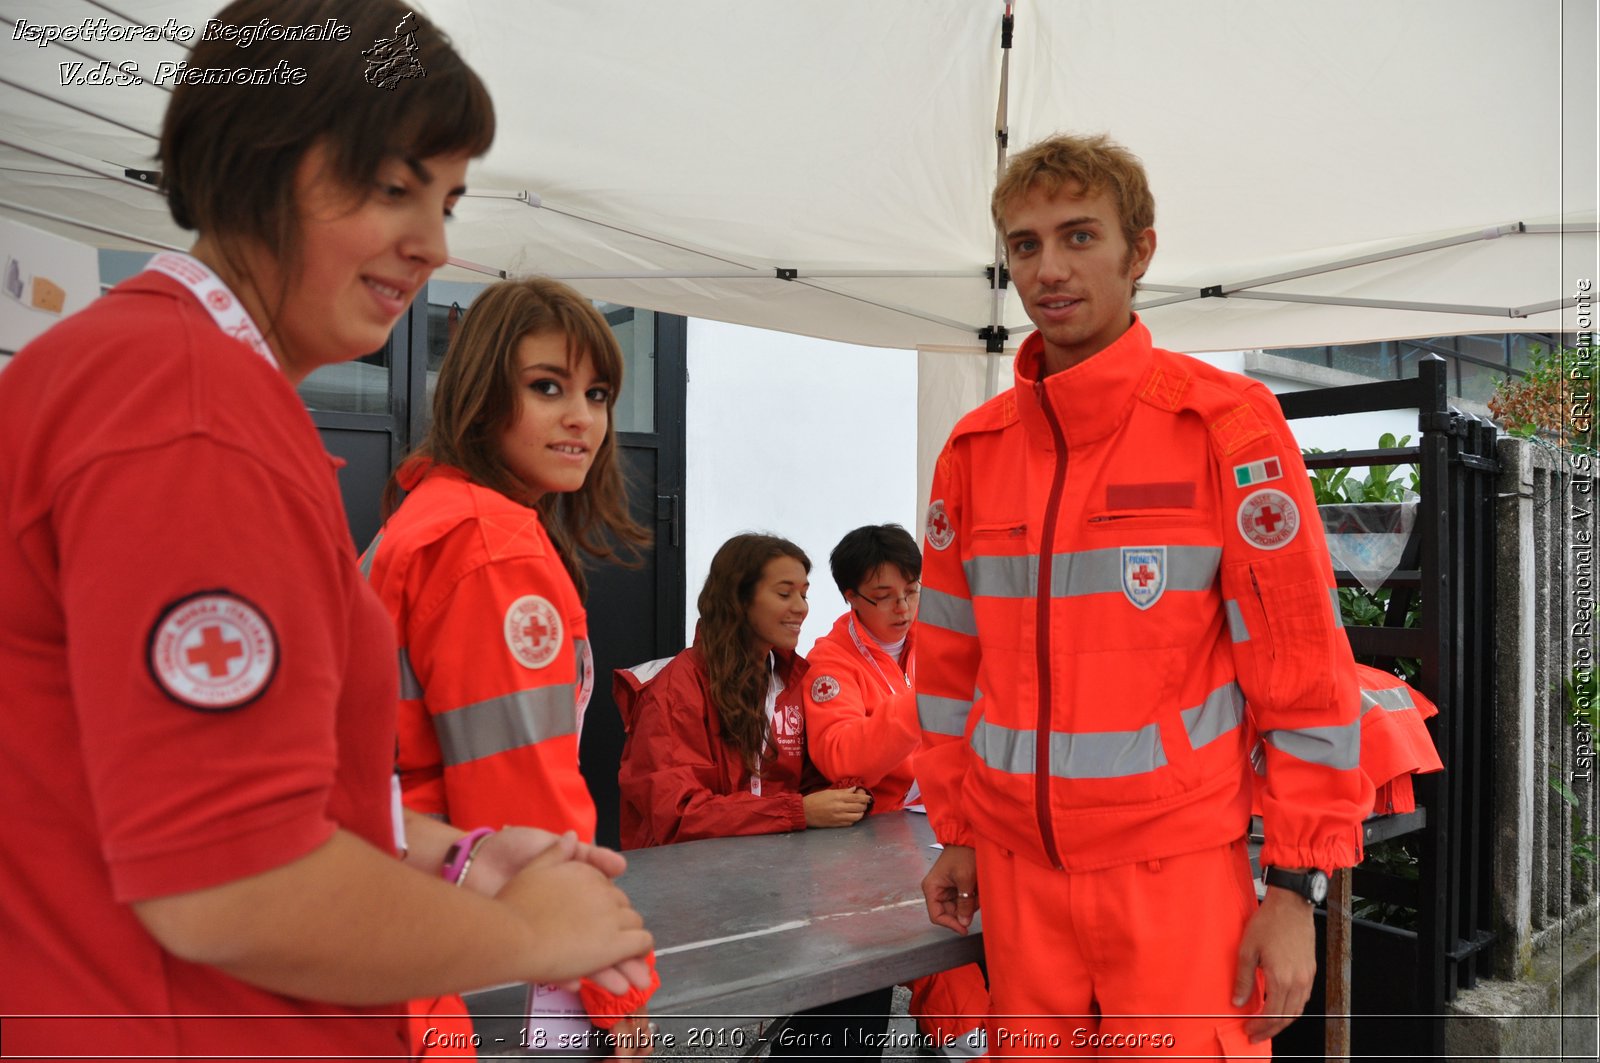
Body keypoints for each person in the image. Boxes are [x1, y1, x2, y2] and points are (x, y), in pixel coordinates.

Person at [0, 3, 651, 1059]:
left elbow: (186, 784)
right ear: (260, 159)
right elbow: (228, 882)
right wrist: (521, 931)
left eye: (447, 201)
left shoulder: (157, 380)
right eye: (394, 187)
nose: (432, 243)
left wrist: (450, 855)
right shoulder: (191, 417)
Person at [915, 133, 1370, 1059]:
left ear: (1141, 252)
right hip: (1015, 881)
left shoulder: (1227, 426)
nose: (1050, 268)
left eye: (1079, 236)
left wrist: (1294, 886)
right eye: (1026, 244)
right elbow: (949, 669)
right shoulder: (973, 452)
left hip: (1175, 882)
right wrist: (957, 828)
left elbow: (1301, 671)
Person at [362, 277, 657, 1055]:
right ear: (481, 395)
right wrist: (611, 977)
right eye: (546, 387)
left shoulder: (432, 517)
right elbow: (518, 795)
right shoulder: (490, 546)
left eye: (597, 393)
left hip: (411, 921)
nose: (580, 418)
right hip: (478, 950)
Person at [615, 533, 887, 1058]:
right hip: (692, 909)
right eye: (785, 593)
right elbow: (675, 816)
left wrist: (845, 792)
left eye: (805, 593)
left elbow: (807, 780)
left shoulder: (794, 678)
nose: (801, 608)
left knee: (862, 971)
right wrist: (800, 812)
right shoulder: (677, 689)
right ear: (739, 597)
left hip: (776, 891)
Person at [802, 525, 990, 1060]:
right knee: (932, 926)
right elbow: (841, 756)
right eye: (883, 597)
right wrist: (922, 702)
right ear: (850, 598)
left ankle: (973, 1030)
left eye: (912, 590)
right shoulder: (833, 662)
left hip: (947, 817)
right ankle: (965, 1035)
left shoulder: (934, 640)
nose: (903, 607)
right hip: (879, 835)